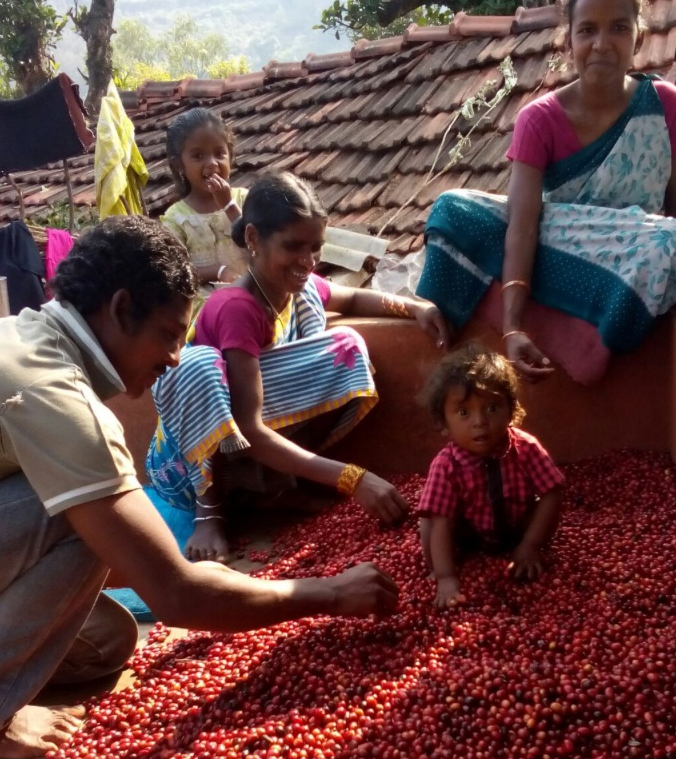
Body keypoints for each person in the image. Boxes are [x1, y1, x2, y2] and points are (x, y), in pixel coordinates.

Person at [0, 215, 399, 759]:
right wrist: (330, 592)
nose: (175, 358)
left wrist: (216, 581)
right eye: (170, 335)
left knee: (107, 644)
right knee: (79, 509)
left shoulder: (18, 333)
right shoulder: (54, 396)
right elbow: (175, 595)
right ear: (121, 308)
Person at [147, 171, 451, 564]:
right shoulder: (237, 307)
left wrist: (415, 307)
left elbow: (352, 299)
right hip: (187, 465)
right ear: (253, 238)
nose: (307, 262)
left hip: (246, 451)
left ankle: (276, 487)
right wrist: (352, 477)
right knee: (200, 365)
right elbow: (250, 428)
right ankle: (211, 512)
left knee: (347, 348)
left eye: (315, 248)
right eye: (293, 247)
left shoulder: (295, 289)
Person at [417, 0, 676, 385]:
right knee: (452, 209)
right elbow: (522, 225)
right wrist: (512, 326)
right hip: (561, 255)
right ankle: (559, 326)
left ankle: (590, 335)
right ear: (569, 42)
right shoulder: (538, 119)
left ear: (638, 38)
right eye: (587, 30)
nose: (601, 44)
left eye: (619, 28)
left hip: (631, 259)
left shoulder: (664, 103)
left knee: (670, 240)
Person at [418, 345, 564, 610]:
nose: (480, 422)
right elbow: (442, 524)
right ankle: (436, 568)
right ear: (443, 423)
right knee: (429, 522)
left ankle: (524, 547)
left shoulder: (526, 448)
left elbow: (552, 491)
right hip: (466, 536)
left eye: (492, 408)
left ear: (511, 409)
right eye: (464, 412)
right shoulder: (445, 465)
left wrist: (531, 544)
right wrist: (446, 576)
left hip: (515, 528)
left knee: (542, 503)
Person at [161, 107, 249, 304]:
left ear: (230, 155)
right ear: (179, 165)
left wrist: (229, 205)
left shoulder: (245, 200)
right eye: (198, 156)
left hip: (253, 300)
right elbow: (175, 271)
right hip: (204, 309)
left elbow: (263, 245)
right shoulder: (176, 217)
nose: (212, 163)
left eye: (219, 153)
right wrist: (218, 271)